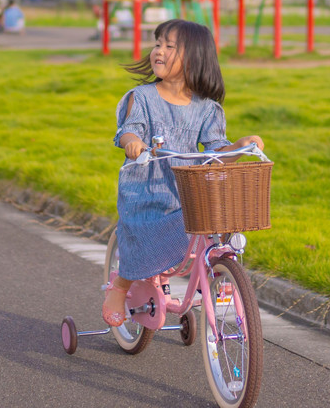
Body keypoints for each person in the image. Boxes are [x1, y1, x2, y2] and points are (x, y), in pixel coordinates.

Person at [103, 19, 264, 327]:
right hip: (147, 187)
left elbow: (216, 150)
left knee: (220, 217)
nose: (158, 51)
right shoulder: (144, 97)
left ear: (194, 57)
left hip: (186, 187)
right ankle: (120, 286)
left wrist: (239, 147)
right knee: (145, 230)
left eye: (169, 46)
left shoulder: (206, 108)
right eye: (157, 44)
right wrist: (133, 142)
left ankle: (219, 272)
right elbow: (128, 130)